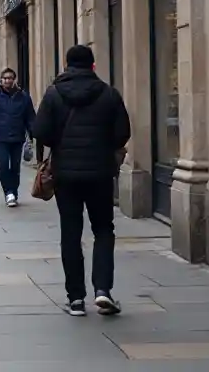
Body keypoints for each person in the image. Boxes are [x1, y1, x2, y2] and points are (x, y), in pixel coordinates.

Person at [33, 45, 130, 317]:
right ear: (93, 66)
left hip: (66, 175)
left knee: (71, 233)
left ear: (66, 65)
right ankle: (102, 290)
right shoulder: (109, 94)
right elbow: (123, 133)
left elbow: (41, 131)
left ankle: (76, 299)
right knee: (103, 230)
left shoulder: (54, 94)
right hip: (100, 173)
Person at [0, 67, 35, 207]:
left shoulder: (23, 97)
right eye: (5, 78)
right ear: (1, 80)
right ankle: (8, 192)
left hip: (18, 138)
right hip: (0, 138)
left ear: (14, 79)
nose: (7, 80)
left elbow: (30, 117)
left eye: (10, 78)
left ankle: (14, 192)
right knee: (4, 165)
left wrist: (33, 134)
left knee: (16, 167)